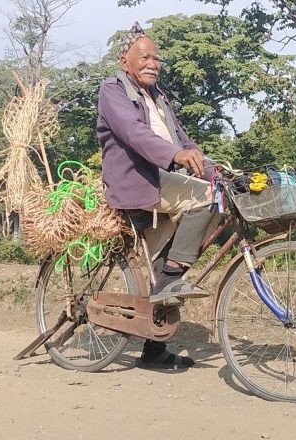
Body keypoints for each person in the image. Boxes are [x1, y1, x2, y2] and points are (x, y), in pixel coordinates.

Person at [96, 22, 220, 370]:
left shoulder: (159, 98)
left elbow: (184, 142)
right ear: (125, 62)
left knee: (216, 192)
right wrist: (177, 157)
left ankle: (153, 350)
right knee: (208, 199)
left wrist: (212, 167)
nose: (152, 62)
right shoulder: (113, 91)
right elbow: (135, 135)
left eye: (156, 57)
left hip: (163, 182)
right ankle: (171, 275)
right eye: (144, 57)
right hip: (137, 182)